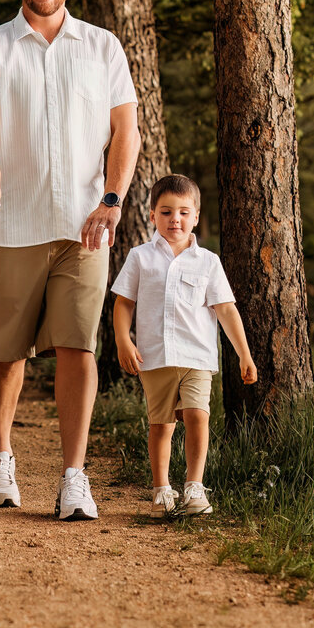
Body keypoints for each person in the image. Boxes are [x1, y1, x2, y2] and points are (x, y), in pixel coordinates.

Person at [0, 0, 140, 522]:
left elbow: (125, 130)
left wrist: (113, 198)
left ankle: (74, 477)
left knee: (77, 347)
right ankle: (0, 457)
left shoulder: (104, 47)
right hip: (8, 222)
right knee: (4, 351)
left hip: (84, 224)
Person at [111, 172, 257, 517]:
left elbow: (226, 309)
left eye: (182, 212)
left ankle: (194, 488)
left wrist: (244, 354)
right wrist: (123, 340)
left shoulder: (208, 262)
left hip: (197, 357)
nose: (174, 219)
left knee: (197, 415)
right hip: (154, 356)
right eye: (165, 212)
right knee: (161, 425)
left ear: (195, 215)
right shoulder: (140, 257)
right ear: (151, 216)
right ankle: (161, 490)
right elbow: (123, 303)